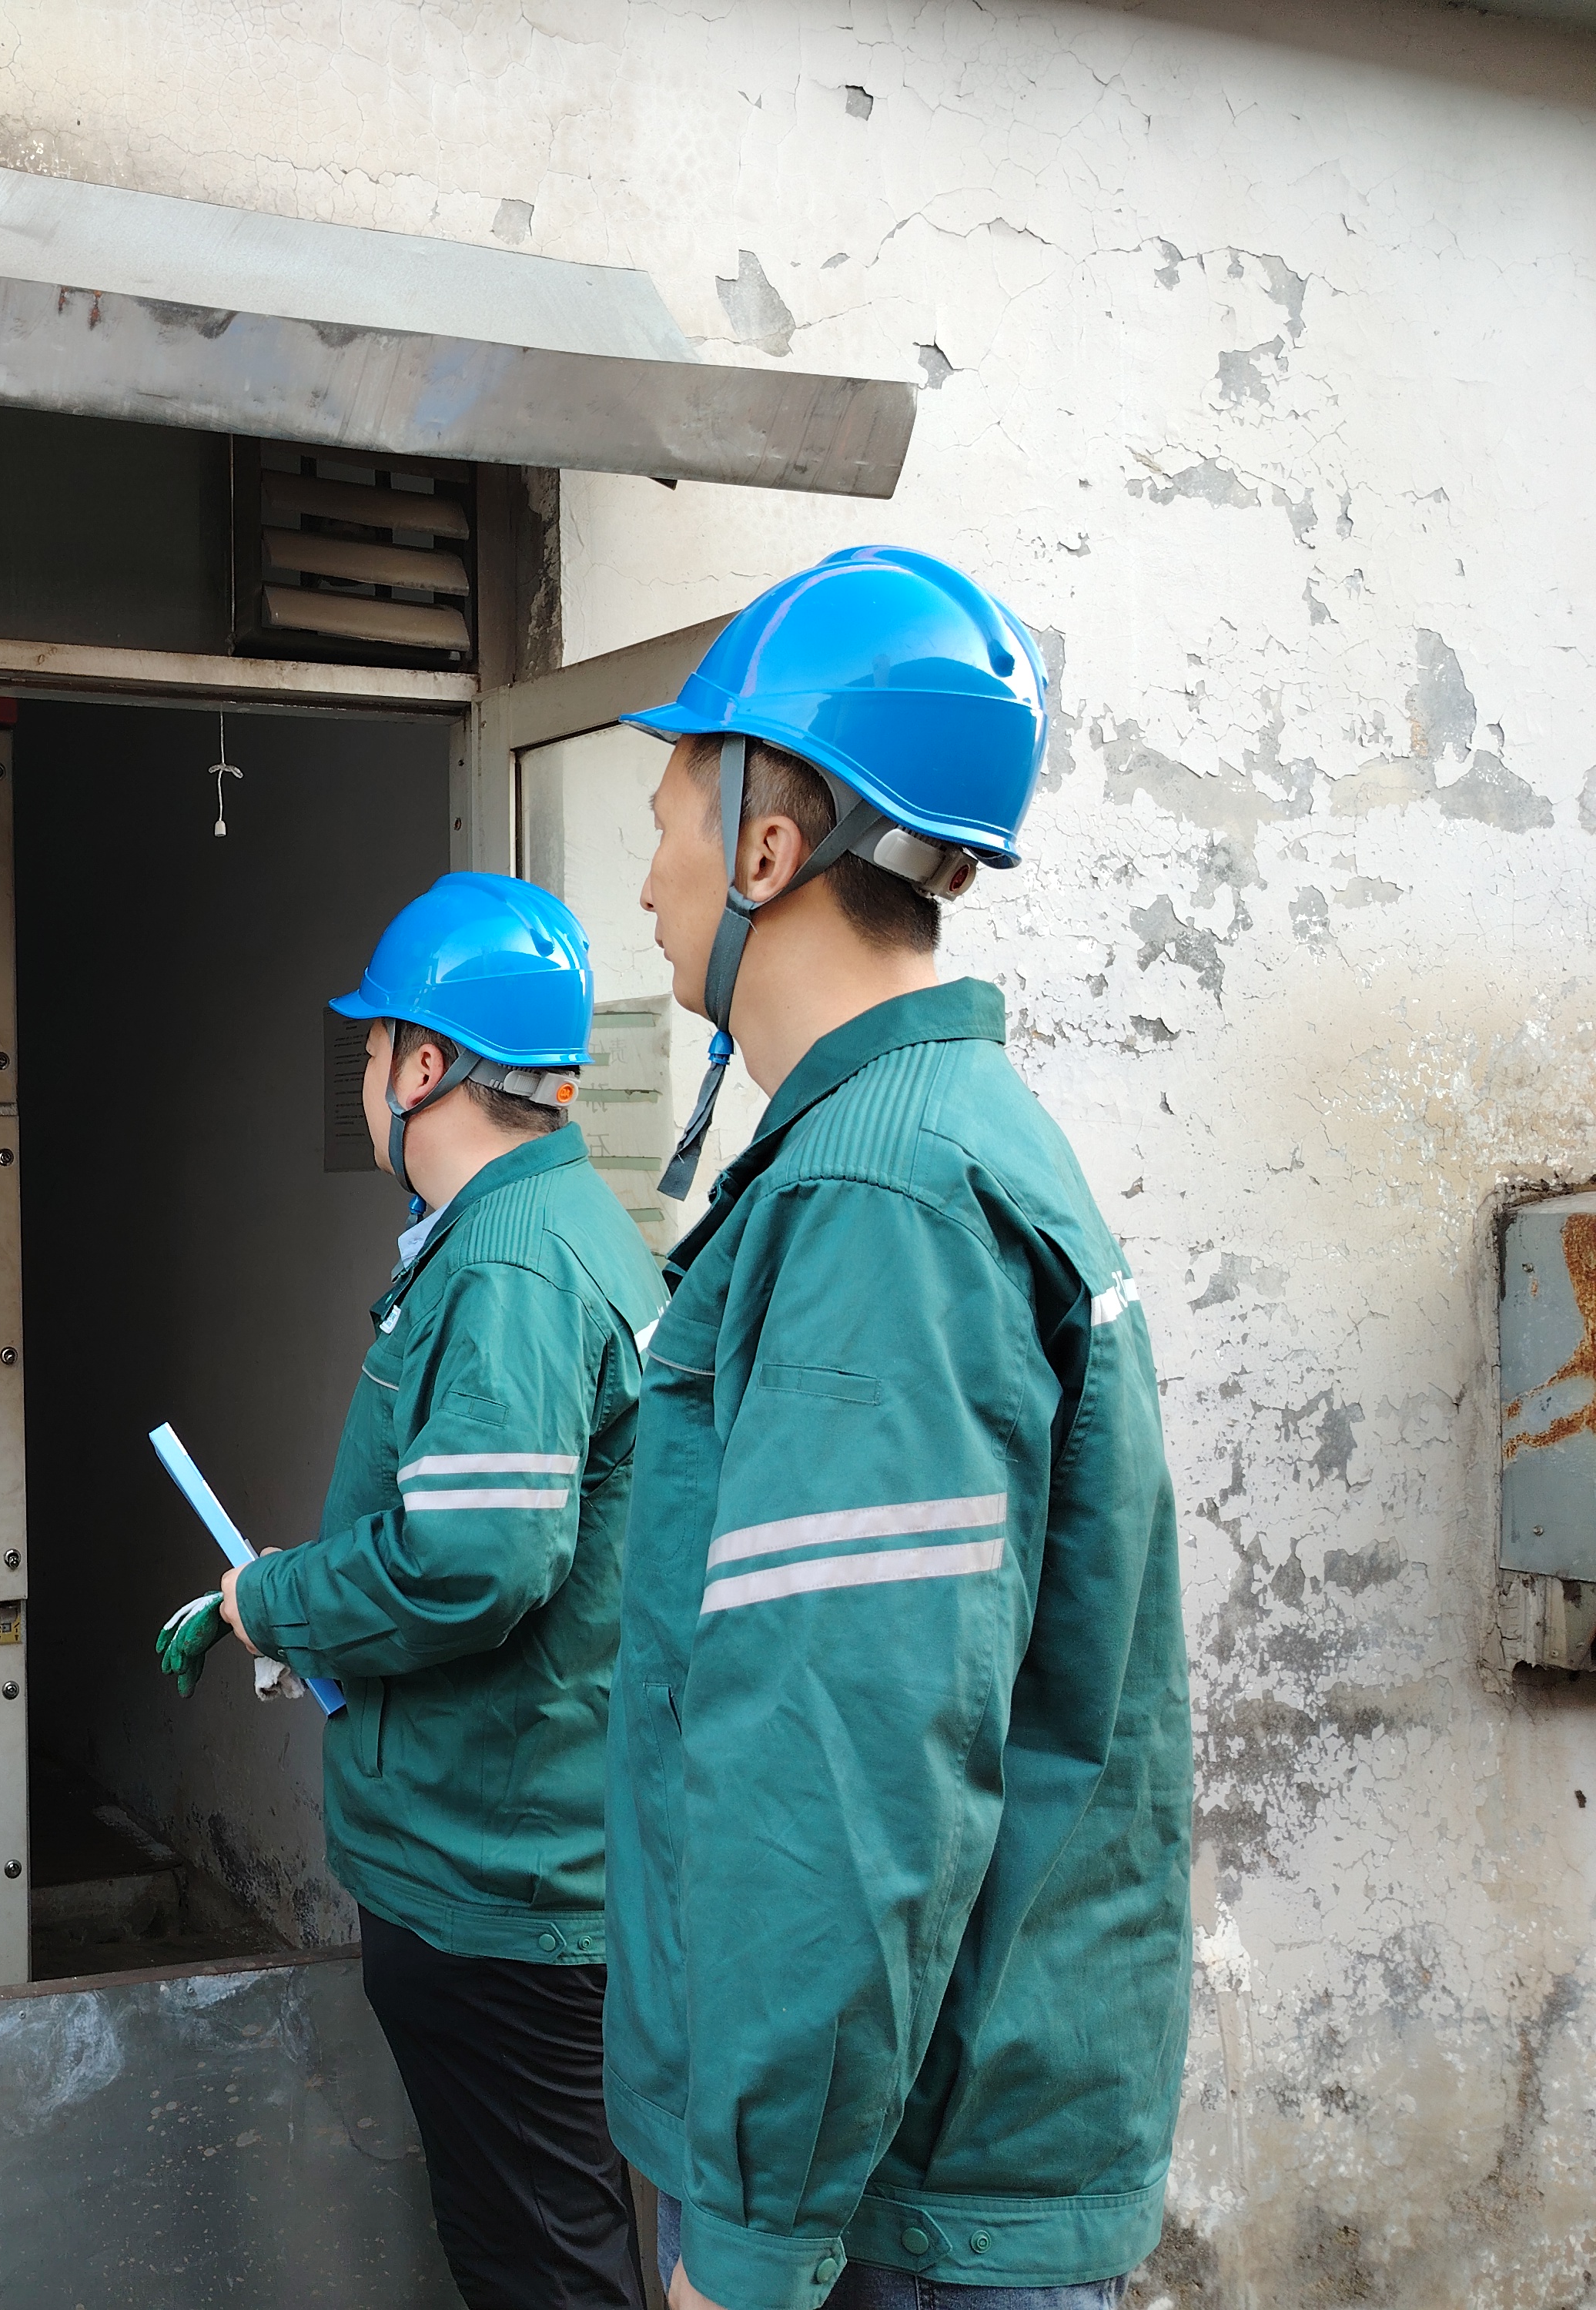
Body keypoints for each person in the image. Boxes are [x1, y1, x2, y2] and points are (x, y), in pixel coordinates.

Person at [601, 547, 1189, 2310]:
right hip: (909, 2175)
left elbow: (841, 1767)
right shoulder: (929, 1141)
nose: (643, 881)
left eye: (665, 823)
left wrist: (752, 2237)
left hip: (886, 2214)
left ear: (764, 852)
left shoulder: (881, 1203)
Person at [158, 873, 668, 2310]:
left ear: (426, 1065)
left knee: (539, 2260)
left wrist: (272, 1601)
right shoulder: (554, 1226)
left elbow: (476, 1559)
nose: (366, 1067)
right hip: (523, 1843)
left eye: (374, 1041)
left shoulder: (508, 1265)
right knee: (540, 2237)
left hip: (500, 1882)